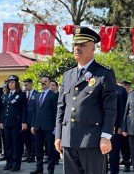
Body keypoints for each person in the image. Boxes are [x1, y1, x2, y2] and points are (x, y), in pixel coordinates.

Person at [55, 27, 117, 174]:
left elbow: (110, 108)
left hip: (93, 140)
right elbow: (61, 107)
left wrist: (106, 136)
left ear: (93, 47)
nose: (77, 48)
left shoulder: (104, 74)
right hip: (69, 139)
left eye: (82, 45)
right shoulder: (67, 75)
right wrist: (58, 136)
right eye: (75, 45)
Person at [30, 76, 58, 174]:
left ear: (50, 83)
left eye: (45, 81)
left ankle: (51, 170)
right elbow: (35, 112)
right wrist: (33, 125)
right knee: (38, 149)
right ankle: (39, 168)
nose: (43, 83)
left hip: (49, 127)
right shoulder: (37, 95)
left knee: (50, 149)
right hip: (38, 126)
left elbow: (57, 112)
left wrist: (56, 125)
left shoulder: (53, 95)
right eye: (41, 82)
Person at [0, 75, 28, 171]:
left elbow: (24, 109)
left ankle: (16, 164)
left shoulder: (21, 94)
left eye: (12, 82)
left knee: (16, 144)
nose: (10, 84)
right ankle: (9, 163)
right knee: (8, 144)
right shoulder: (6, 95)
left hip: (16, 122)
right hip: (7, 122)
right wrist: (1, 121)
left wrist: (24, 122)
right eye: (9, 82)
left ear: (16, 83)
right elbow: (3, 109)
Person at [109, 84, 128, 174]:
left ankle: (114, 171)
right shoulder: (99, 87)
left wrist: (121, 126)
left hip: (115, 125)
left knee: (114, 152)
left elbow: (124, 110)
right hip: (100, 126)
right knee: (101, 152)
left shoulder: (120, 90)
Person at [22, 78, 38, 163]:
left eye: (27, 85)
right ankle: (28, 155)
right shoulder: (22, 94)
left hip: (33, 120)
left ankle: (32, 156)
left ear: (31, 84)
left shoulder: (37, 94)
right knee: (26, 139)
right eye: (24, 85)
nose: (25, 87)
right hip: (25, 121)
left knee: (33, 140)